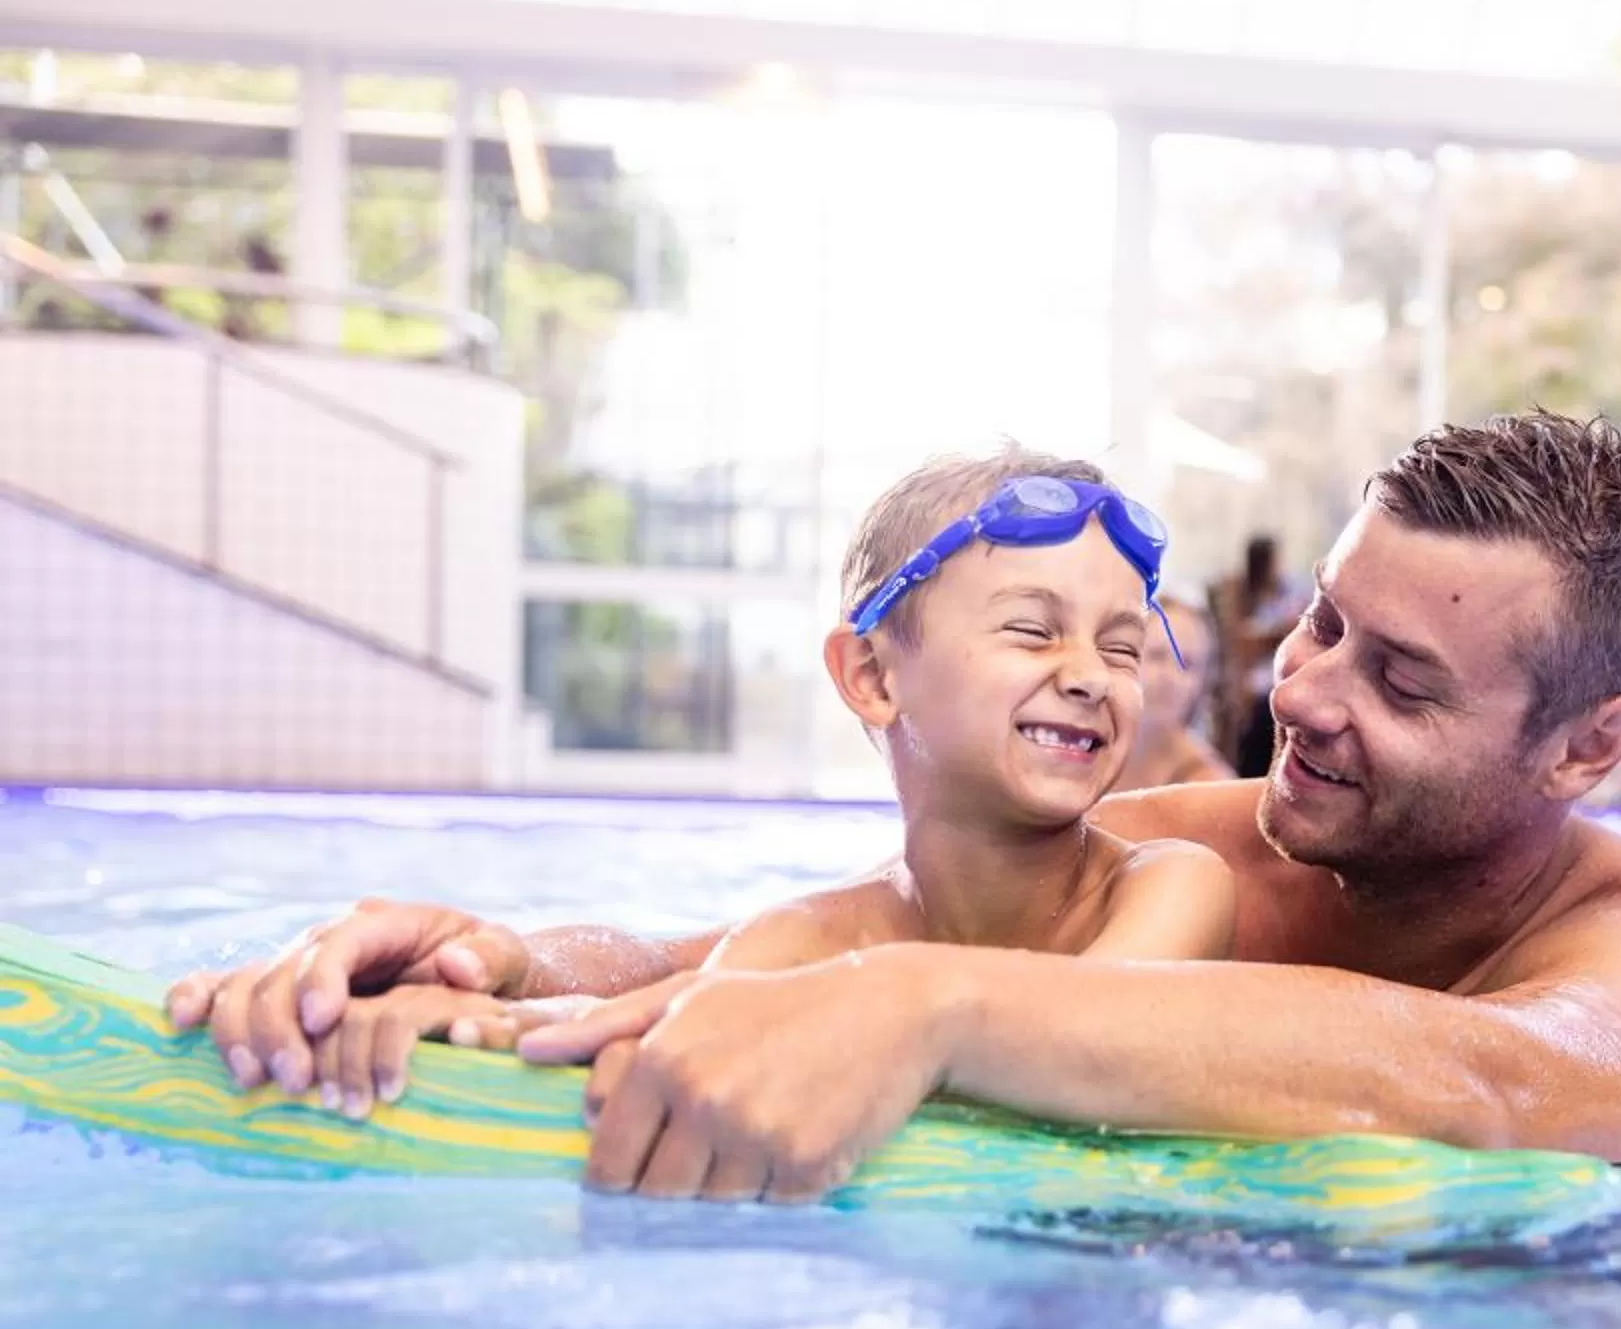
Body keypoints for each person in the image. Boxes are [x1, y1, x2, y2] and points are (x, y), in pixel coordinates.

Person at [168, 411, 1621, 1200]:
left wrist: (934, 1007)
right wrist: (503, 964)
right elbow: (785, 954)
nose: (1300, 695)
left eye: (1402, 684)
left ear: (1592, 745)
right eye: (1322, 628)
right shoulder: (1216, 840)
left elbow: (1524, 1081)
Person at [176, 446, 1235, 1121]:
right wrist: (462, 1003)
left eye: (1122, 646)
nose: (1090, 674)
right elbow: (657, 997)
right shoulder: (823, 933)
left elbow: (1096, 1024)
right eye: (1031, 628)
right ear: (871, 675)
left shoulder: (1170, 885)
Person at [1109, 589, 1232, 794]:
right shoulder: (1089, 750)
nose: (1170, 678)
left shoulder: (1210, 783)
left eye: (1187, 664)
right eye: (1157, 656)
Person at [1214, 534, 1304, 779]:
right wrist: (1278, 632)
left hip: (1276, 683)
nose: (1281, 566)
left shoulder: (1285, 592)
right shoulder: (1241, 595)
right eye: (1276, 560)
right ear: (1264, 562)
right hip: (1254, 690)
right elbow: (1243, 643)